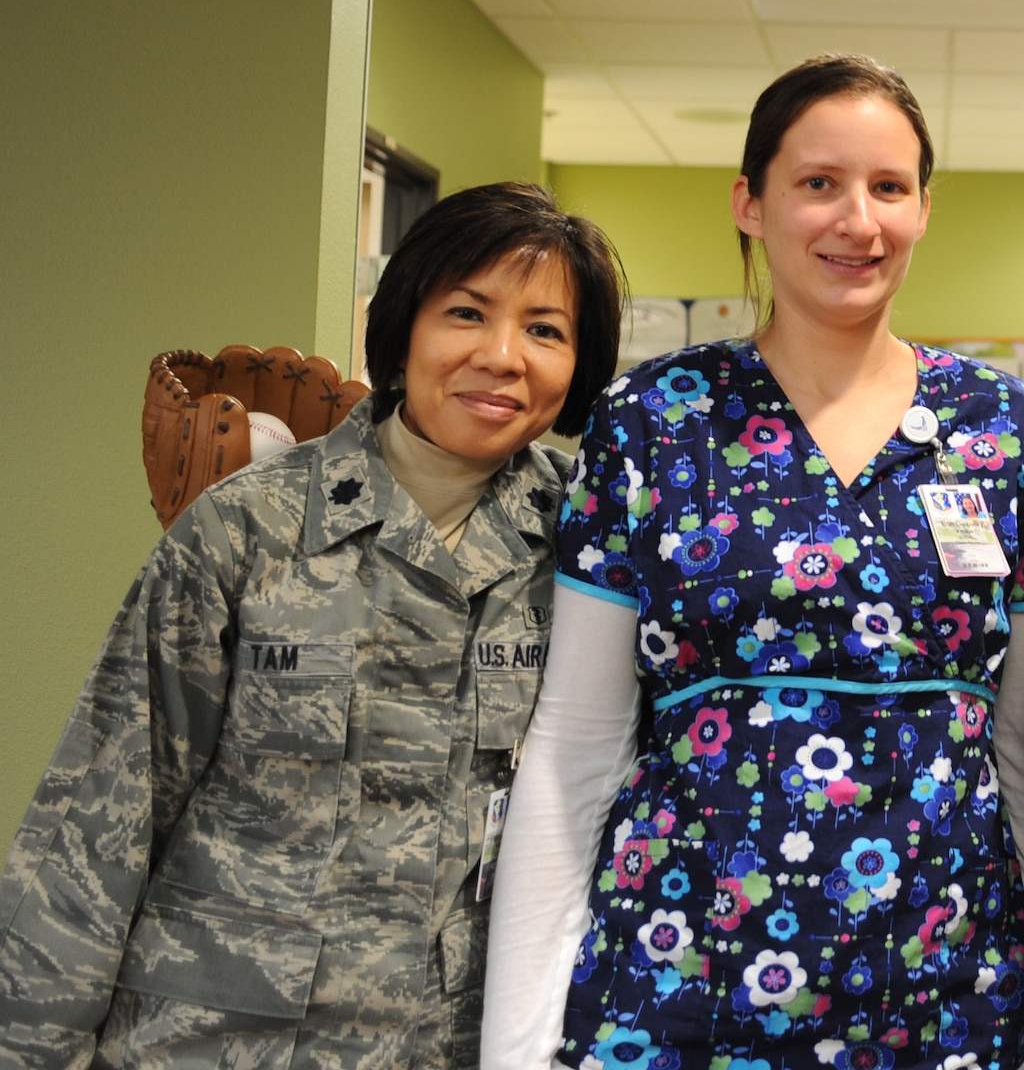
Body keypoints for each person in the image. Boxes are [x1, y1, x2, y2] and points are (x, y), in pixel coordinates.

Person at [484, 55, 1024, 1070]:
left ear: (924, 209)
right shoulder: (654, 421)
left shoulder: (1004, 431)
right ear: (750, 203)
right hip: (679, 985)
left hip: (947, 994)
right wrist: (515, 1049)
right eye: (818, 183)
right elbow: (574, 746)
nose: (858, 219)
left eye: (887, 187)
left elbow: (1023, 745)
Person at [0, 181, 626, 1067]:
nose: (501, 356)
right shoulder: (245, 528)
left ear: (580, 371)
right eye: (465, 313)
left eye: (546, 330)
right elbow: (99, 824)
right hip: (213, 1042)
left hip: (449, 1044)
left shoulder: (595, 553)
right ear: (406, 329)